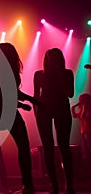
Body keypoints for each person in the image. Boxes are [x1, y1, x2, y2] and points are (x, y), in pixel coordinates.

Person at [0, 43, 35, 194]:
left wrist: (26, 102)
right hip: (3, 112)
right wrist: (29, 102)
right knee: (23, 146)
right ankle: (28, 185)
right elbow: (8, 93)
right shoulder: (6, 71)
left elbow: (3, 94)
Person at [34, 48, 75, 194]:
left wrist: (59, 74)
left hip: (61, 109)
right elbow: (35, 98)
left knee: (64, 147)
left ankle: (68, 185)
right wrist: (36, 115)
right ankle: (54, 185)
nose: (53, 62)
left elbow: (70, 93)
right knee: (48, 148)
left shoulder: (67, 74)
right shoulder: (39, 75)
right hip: (44, 111)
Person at [71, 93, 91, 179]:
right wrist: (73, 108)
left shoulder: (88, 108)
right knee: (86, 153)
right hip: (83, 132)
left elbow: (86, 117)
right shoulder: (81, 109)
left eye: (81, 99)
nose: (80, 101)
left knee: (89, 151)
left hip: (89, 131)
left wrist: (84, 107)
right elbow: (75, 116)